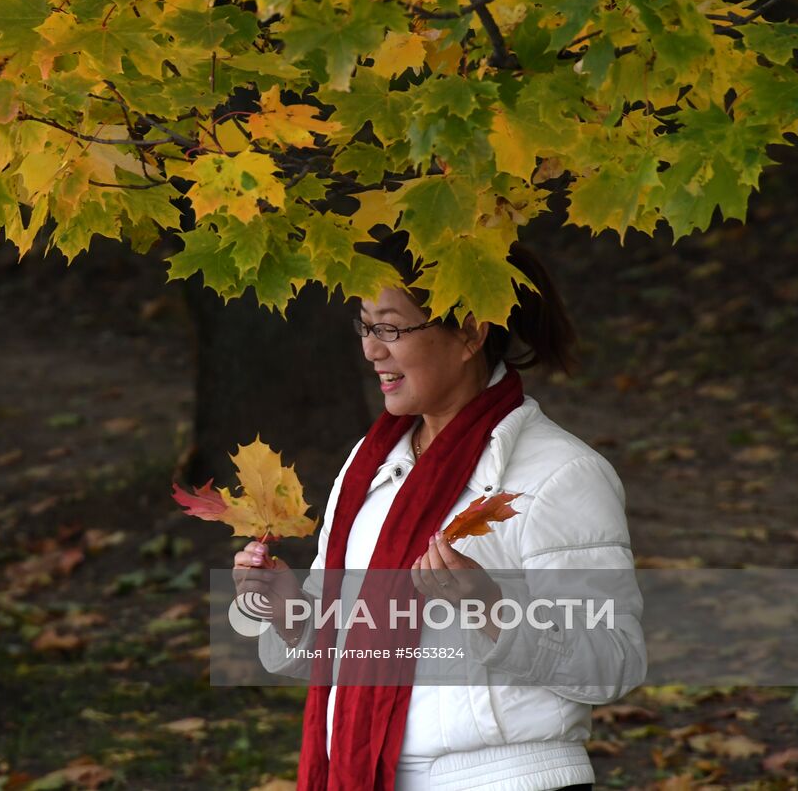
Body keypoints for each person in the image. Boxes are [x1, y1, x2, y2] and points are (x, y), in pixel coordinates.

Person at [233, 235, 646, 791]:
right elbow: (349, 658)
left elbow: (616, 663)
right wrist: (289, 613)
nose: (371, 350)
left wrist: (491, 608)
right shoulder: (371, 466)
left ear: (470, 333)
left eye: (391, 328)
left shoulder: (561, 474)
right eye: (365, 325)